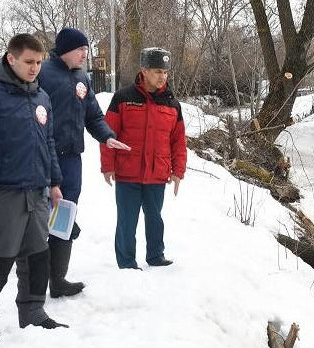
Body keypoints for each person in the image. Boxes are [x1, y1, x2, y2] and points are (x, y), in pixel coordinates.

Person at [0, 33, 68, 341]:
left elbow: (48, 142)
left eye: (39, 62)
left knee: (37, 257)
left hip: (37, 192)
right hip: (0, 193)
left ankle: (33, 313)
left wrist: (55, 182)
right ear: (11, 58)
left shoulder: (41, 96)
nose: (35, 68)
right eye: (29, 62)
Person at [14, 27, 129, 299]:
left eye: (86, 51)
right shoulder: (44, 73)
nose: (84, 55)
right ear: (66, 50)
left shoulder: (82, 78)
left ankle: (58, 279)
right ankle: (35, 287)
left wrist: (107, 137)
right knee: (42, 218)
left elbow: (93, 115)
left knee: (65, 215)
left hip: (72, 159)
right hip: (43, 158)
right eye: (81, 50)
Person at [101, 47, 186, 270]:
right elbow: (108, 135)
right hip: (128, 172)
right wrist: (107, 166)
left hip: (158, 172)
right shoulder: (122, 98)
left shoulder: (172, 104)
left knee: (155, 218)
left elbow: (178, 142)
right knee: (127, 221)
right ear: (144, 71)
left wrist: (178, 171)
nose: (163, 77)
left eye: (166, 72)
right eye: (158, 71)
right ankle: (126, 262)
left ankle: (156, 255)